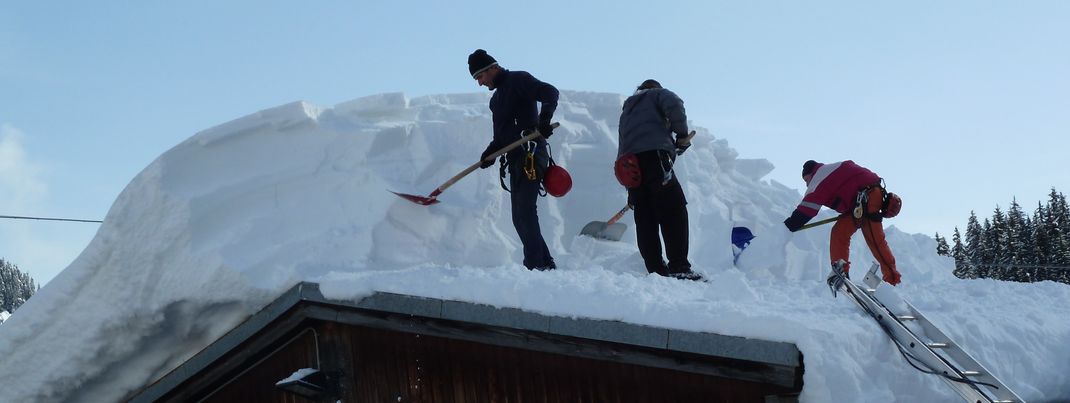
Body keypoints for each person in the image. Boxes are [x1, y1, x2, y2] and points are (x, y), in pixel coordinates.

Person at [468, 49, 559, 271]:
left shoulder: (518, 79)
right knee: (519, 217)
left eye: (480, 77)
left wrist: (544, 119)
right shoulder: (496, 100)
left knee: (525, 212)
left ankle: (536, 266)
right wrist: (490, 152)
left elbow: (550, 93)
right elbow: (501, 137)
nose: (479, 83)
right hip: (515, 158)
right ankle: (545, 265)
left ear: (492, 68)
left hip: (531, 153)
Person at [617, 79, 701, 281]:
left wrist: (631, 189)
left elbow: (623, 144)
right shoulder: (656, 95)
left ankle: (656, 271)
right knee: (674, 210)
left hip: (630, 166)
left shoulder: (627, 110)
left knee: (645, 218)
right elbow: (674, 103)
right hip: (655, 159)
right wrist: (681, 136)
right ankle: (679, 267)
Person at [783, 160, 903, 289]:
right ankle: (840, 272)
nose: (807, 184)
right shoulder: (830, 170)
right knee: (839, 233)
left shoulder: (820, 176)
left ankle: (891, 281)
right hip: (861, 200)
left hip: (869, 196)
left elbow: (807, 208)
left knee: (875, 239)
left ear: (811, 173)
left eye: (806, 180)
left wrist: (789, 226)